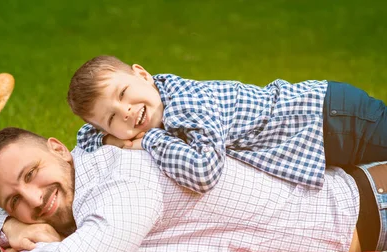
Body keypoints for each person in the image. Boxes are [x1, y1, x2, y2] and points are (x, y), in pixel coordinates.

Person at [0, 127, 387, 252]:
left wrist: (33, 247)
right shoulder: (83, 174)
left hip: (370, 208)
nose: (34, 200)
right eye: (15, 201)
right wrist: (7, 223)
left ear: (59, 149)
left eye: (32, 174)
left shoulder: (124, 181)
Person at [67, 55, 387, 194]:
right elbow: (85, 136)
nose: (125, 112)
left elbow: (204, 173)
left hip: (334, 118)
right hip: (323, 133)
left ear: (142, 74)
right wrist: (112, 140)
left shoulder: (186, 103)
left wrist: (147, 141)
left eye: (124, 93)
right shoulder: (143, 108)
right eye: (111, 118)